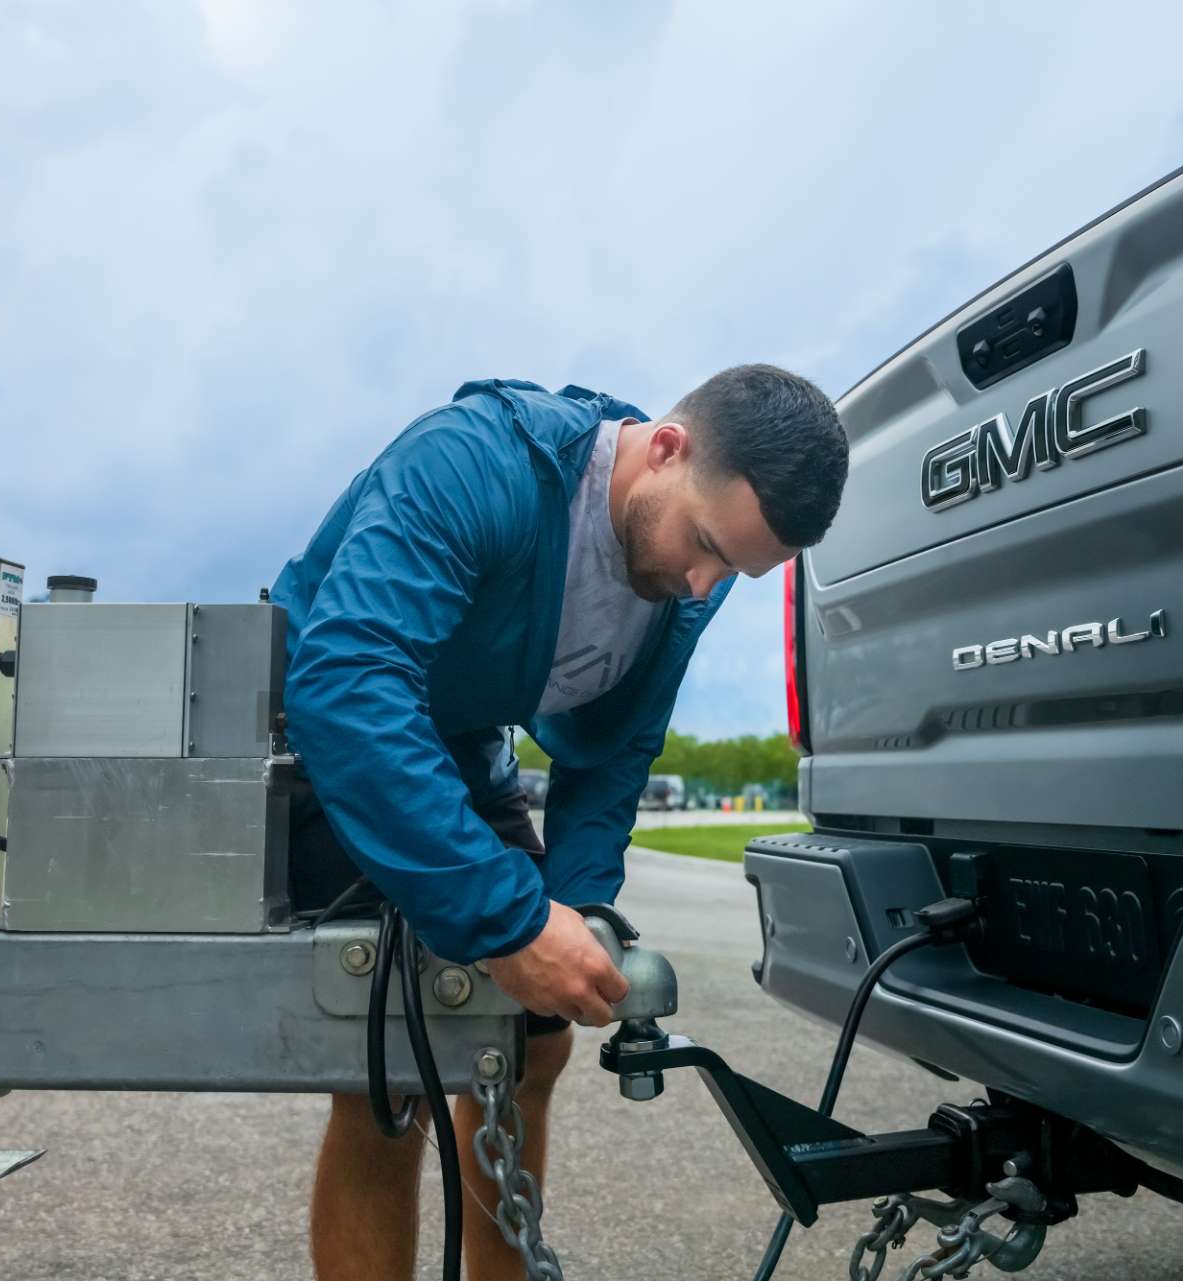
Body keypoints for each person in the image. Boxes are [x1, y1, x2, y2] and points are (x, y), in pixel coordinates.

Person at [271, 368, 849, 1281]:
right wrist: (508, 921)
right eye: (703, 544)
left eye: (732, 570)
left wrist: (578, 909)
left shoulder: (692, 572)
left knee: (536, 1032)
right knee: (391, 1056)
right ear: (665, 448)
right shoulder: (478, 463)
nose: (701, 586)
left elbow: (612, 754)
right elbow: (346, 680)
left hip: (462, 751)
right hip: (330, 744)